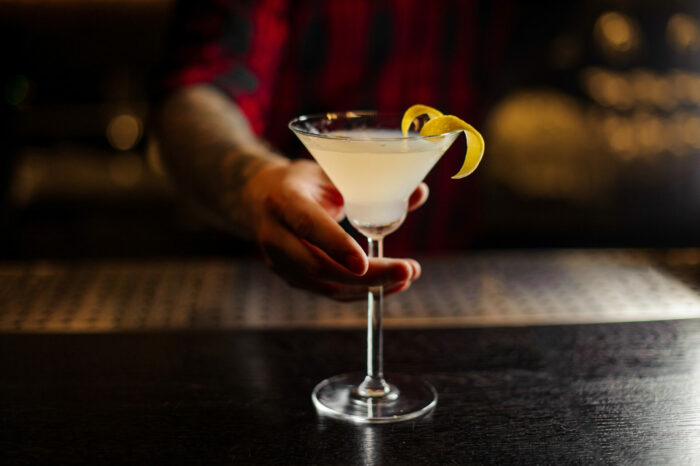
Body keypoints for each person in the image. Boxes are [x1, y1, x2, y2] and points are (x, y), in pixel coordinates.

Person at [155, 0, 507, 301]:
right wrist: (259, 181)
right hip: (269, 285)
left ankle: (375, 380)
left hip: (455, 278)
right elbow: (201, 84)